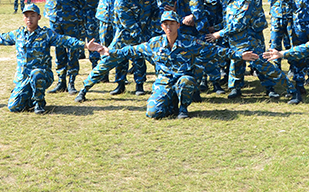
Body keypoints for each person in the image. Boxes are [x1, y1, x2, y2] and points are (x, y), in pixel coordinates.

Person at [80, 11, 253, 119]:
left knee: (186, 81)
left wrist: (239, 55)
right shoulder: (154, 44)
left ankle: (183, 108)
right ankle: (172, 102)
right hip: (163, 83)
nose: (169, 27)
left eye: (172, 24)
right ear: (162, 26)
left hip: (183, 80)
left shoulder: (190, 42)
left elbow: (215, 51)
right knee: (153, 113)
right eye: (166, 24)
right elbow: (130, 51)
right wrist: (107, 50)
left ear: (178, 25)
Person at [0, 4, 97, 114]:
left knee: (37, 73)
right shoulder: (18, 34)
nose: (29, 19)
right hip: (24, 77)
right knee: (14, 107)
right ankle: (29, 98)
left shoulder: (46, 34)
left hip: (42, 75)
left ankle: (39, 103)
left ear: (39, 17)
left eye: (32, 16)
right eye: (26, 16)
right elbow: (0, 38)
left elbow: (65, 40)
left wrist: (85, 45)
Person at [206, 0, 299, 103]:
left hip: (248, 41)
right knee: (236, 63)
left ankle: (292, 89)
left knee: (265, 67)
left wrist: (218, 34)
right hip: (235, 42)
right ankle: (235, 88)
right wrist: (215, 28)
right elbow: (228, 20)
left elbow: (239, 24)